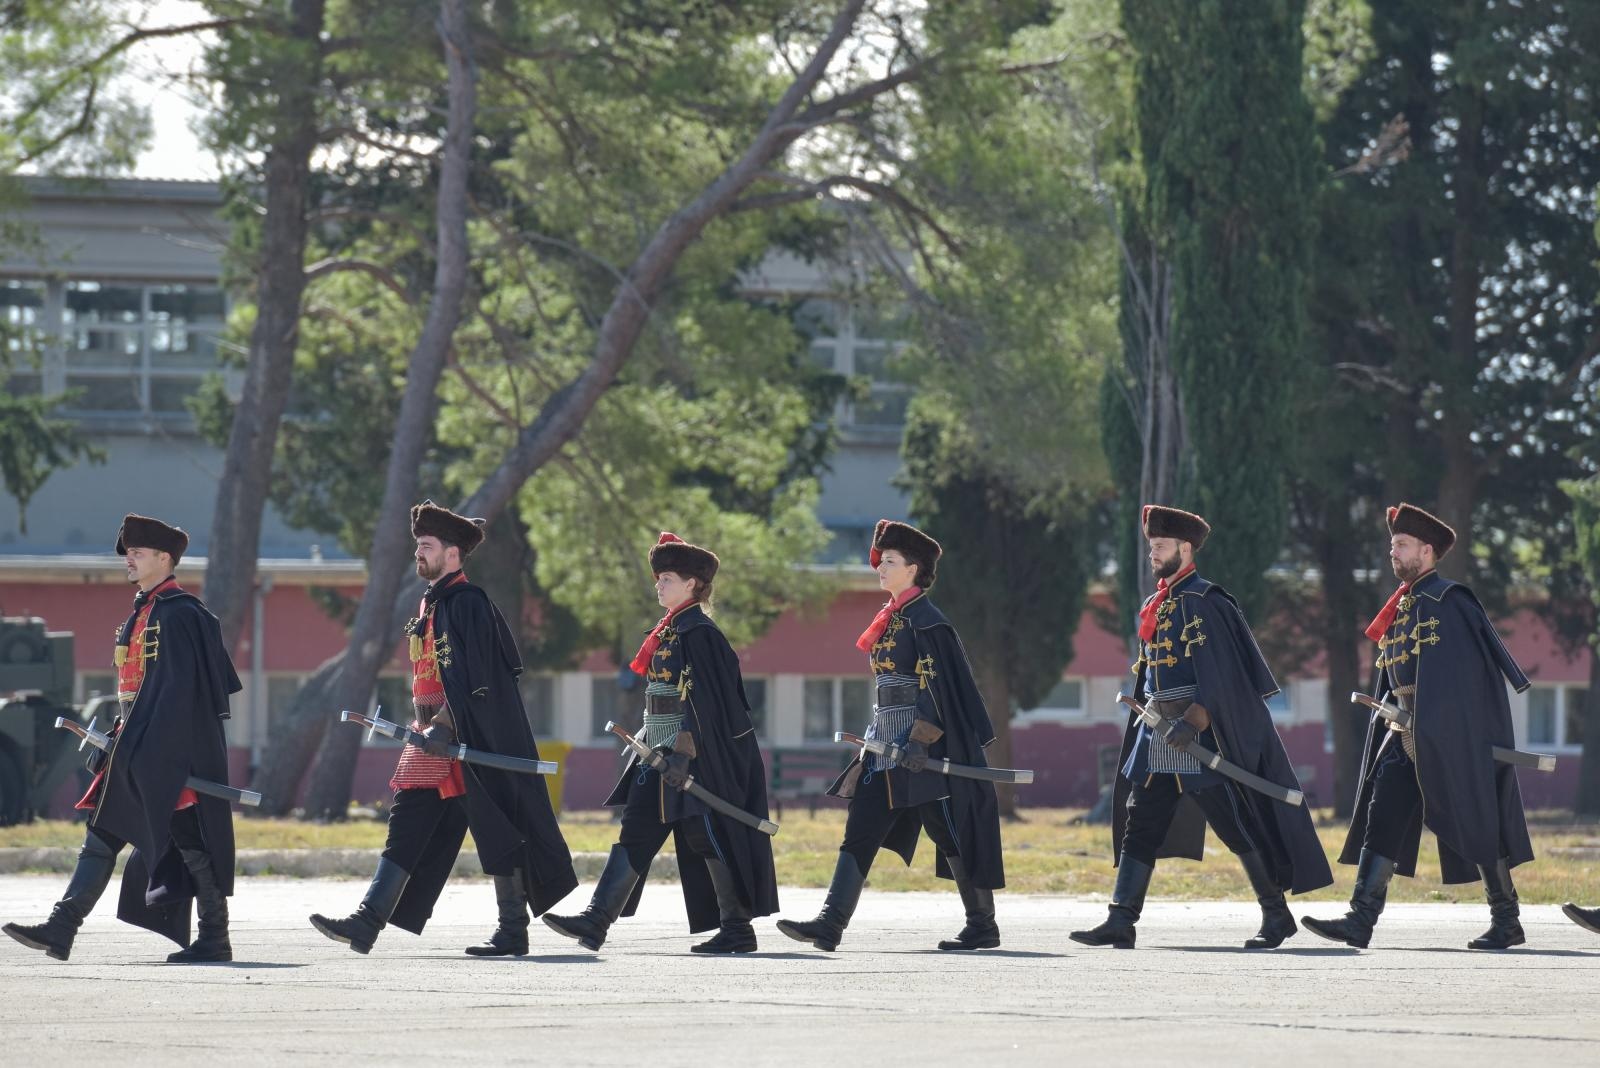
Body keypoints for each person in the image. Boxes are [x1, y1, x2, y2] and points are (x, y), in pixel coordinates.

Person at [310, 500, 576, 955]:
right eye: (417, 546)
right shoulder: (432, 601)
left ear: (452, 554)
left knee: (498, 829)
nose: (419, 554)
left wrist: (450, 724)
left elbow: (482, 674)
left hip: (466, 735)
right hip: (430, 738)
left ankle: (512, 930)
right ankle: (367, 922)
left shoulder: (469, 603)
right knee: (407, 821)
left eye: (427, 546)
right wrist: (431, 726)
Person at [1071, 505, 1330, 950]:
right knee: (1141, 822)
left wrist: (1195, 720)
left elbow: (1223, 673)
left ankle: (1276, 914)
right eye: (1151, 546)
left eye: (1160, 546)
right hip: (1158, 734)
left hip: (1201, 738)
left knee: (1234, 824)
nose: (1152, 553)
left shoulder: (1206, 602)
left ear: (1184, 548)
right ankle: (1121, 920)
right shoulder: (1161, 603)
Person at [4, 514, 241, 963]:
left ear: (165, 559)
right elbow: (139, 691)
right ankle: (61, 927)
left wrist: (156, 750)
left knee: (191, 841)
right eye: (127, 553)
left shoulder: (182, 615)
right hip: (136, 743)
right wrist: (123, 733)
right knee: (102, 832)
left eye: (138, 552)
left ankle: (214, 936)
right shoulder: (144, 611)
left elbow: (181, 697)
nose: (128, 559)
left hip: (168, 751)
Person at [1303, 503, 1534, 950]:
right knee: (1383, 810)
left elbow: (1466, 678)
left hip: (1448, 736)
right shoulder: (1404, 606)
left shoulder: (1450, 600)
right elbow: (1397, 677)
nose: (1394, 553)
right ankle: (1360, 918)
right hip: (1404, 732)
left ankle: (1507, 919)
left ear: (1426, 551)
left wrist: (1443, 727)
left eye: (1402, 545)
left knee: (1476, 820)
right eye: (1392, 546)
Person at [542, 532, 778, 954]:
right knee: (636, 831)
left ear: (692, 584)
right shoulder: (669, 632)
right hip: (657, 751)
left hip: (694, 758)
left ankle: (738, 929)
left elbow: (707, 703)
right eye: (658, 577)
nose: (658, 584)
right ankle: (596, 921)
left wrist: (684, 754)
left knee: (706, 834)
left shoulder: (701, 634)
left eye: (667, 577)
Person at [776, 519, 1005, 952]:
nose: (880, 566)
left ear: (914, 569)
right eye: (881, 559)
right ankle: (829, 924)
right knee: (861, 829)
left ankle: (982, 924)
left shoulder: (927, 622)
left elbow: (940, 692)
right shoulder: (895, 617)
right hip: (882, 745)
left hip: (922, 750)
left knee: (949, 832)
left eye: (891, 561)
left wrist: (920, 741)